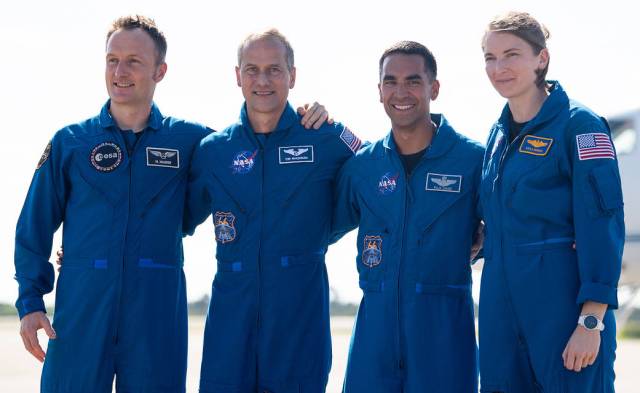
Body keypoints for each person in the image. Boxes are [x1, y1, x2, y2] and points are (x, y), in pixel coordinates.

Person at [15, 16, 327, 393]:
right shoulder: (71, 143)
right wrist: (31, 302)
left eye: (134, 61)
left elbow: (256, 152)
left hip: (156, 310)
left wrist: (305, 117)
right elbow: (33, 226)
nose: (120, 71)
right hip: (82, 306)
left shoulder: (193, 142)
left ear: (160, 70)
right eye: (112, 59)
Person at [184, 29, 361, 393]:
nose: (262, 80)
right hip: (231, 318)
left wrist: (326, 229)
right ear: (237, 76)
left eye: (274, 70)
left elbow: (385, 173)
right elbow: (170, 217)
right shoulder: (213, 150)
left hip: (299, 315)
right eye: (252, 69)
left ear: (292, 76)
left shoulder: (325, 137)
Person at [478, 11, 623, 393]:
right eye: (490, 57)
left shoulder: (580, 126)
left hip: (560, 308)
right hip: (500, 312)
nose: (499, 68)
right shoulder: (495, 137)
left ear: (541, 58)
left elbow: (602, 222)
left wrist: (591, 321)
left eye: (512, 55)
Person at [331, 41, 483, 392]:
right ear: (379, 89)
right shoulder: (362, 167)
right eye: (391, 81)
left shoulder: (472, 161)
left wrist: (485, 240)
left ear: (435, 87)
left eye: (413, 81)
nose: (401, 92)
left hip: (444, 331)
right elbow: (319, 228)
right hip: (375, 331)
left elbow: (506, 230)